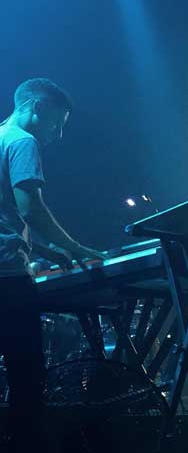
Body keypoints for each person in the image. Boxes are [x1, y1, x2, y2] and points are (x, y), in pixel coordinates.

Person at [0, 78, 104, 452]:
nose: (57, 135)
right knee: (27, 374)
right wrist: (74, 247)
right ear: (37, 108)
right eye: (57, 124)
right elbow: (31, 208)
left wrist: (46, 250)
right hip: (7, 277)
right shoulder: (22, 142)